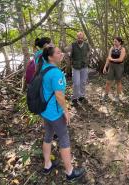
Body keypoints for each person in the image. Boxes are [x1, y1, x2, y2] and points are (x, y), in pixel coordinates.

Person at [40, 46, 85, 181]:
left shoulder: (43, 68)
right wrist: (66, 111)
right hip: (55, 113)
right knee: (64, 139)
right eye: (58, 53)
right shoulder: (56, 73)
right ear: (50, 57)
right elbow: (59, 95)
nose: (62, 54)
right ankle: (70, 172)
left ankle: (47, 165)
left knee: (48, 136)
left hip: (45, 111)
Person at [66, 32, 90, 106]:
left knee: (83, 82)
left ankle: (81, 96)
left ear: (83, 38)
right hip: (76, 67)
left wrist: (87, 58)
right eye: (79, 38)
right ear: (76, 38)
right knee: (76, 83)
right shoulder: (73, 45)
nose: (80, 39)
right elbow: (67, 52)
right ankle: (75, 98)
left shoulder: (86, 44)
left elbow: (89, 51)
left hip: (84, 66)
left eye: (81, 38)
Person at [102, 37, 126, 102]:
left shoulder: (122, 49)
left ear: (119, 42)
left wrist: (112, 59)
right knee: (108, 82)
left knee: (118, 82)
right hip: (111, 66)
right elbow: (108, 58)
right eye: (114, 41)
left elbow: (121, 59)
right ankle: (105, 95)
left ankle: (117, 96)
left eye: (116, 41)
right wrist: (105, 67)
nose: (114, 43)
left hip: (119, 67)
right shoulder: (112, 48)